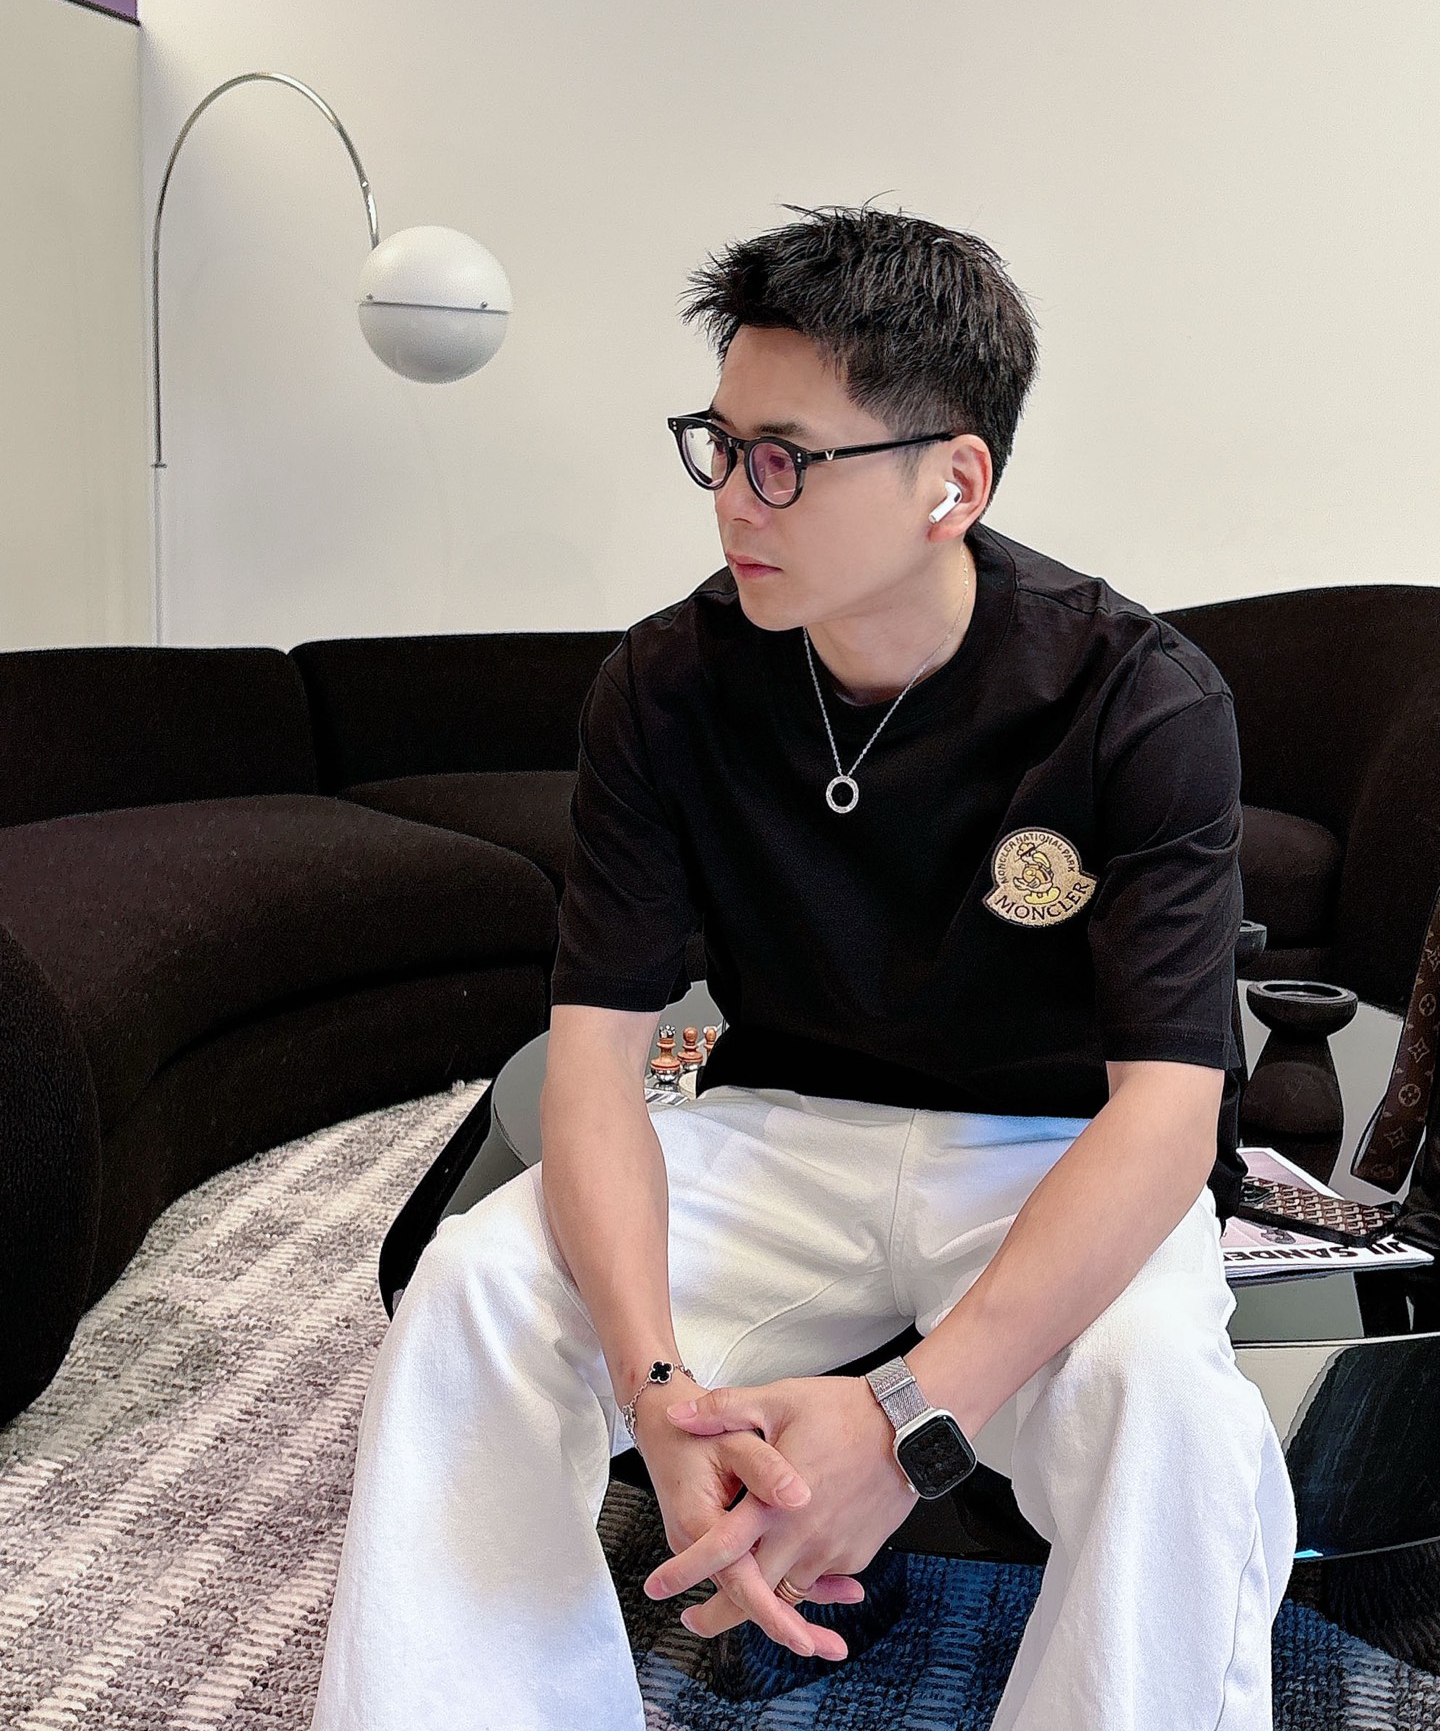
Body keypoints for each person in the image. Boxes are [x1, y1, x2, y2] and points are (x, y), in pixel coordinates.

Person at [310, 203, 1298, 1730]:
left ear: (951, 483)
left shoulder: (1138, 700)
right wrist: (656, 1390)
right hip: (784, 1130)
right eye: (719, 448)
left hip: (1053, 1149)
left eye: (784, 459)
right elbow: (596, 1071)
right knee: (477, 1291)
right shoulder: (666, 683)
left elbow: (1169, 1117)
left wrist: (906, 1424)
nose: (733, 500)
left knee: (1168, 1406)